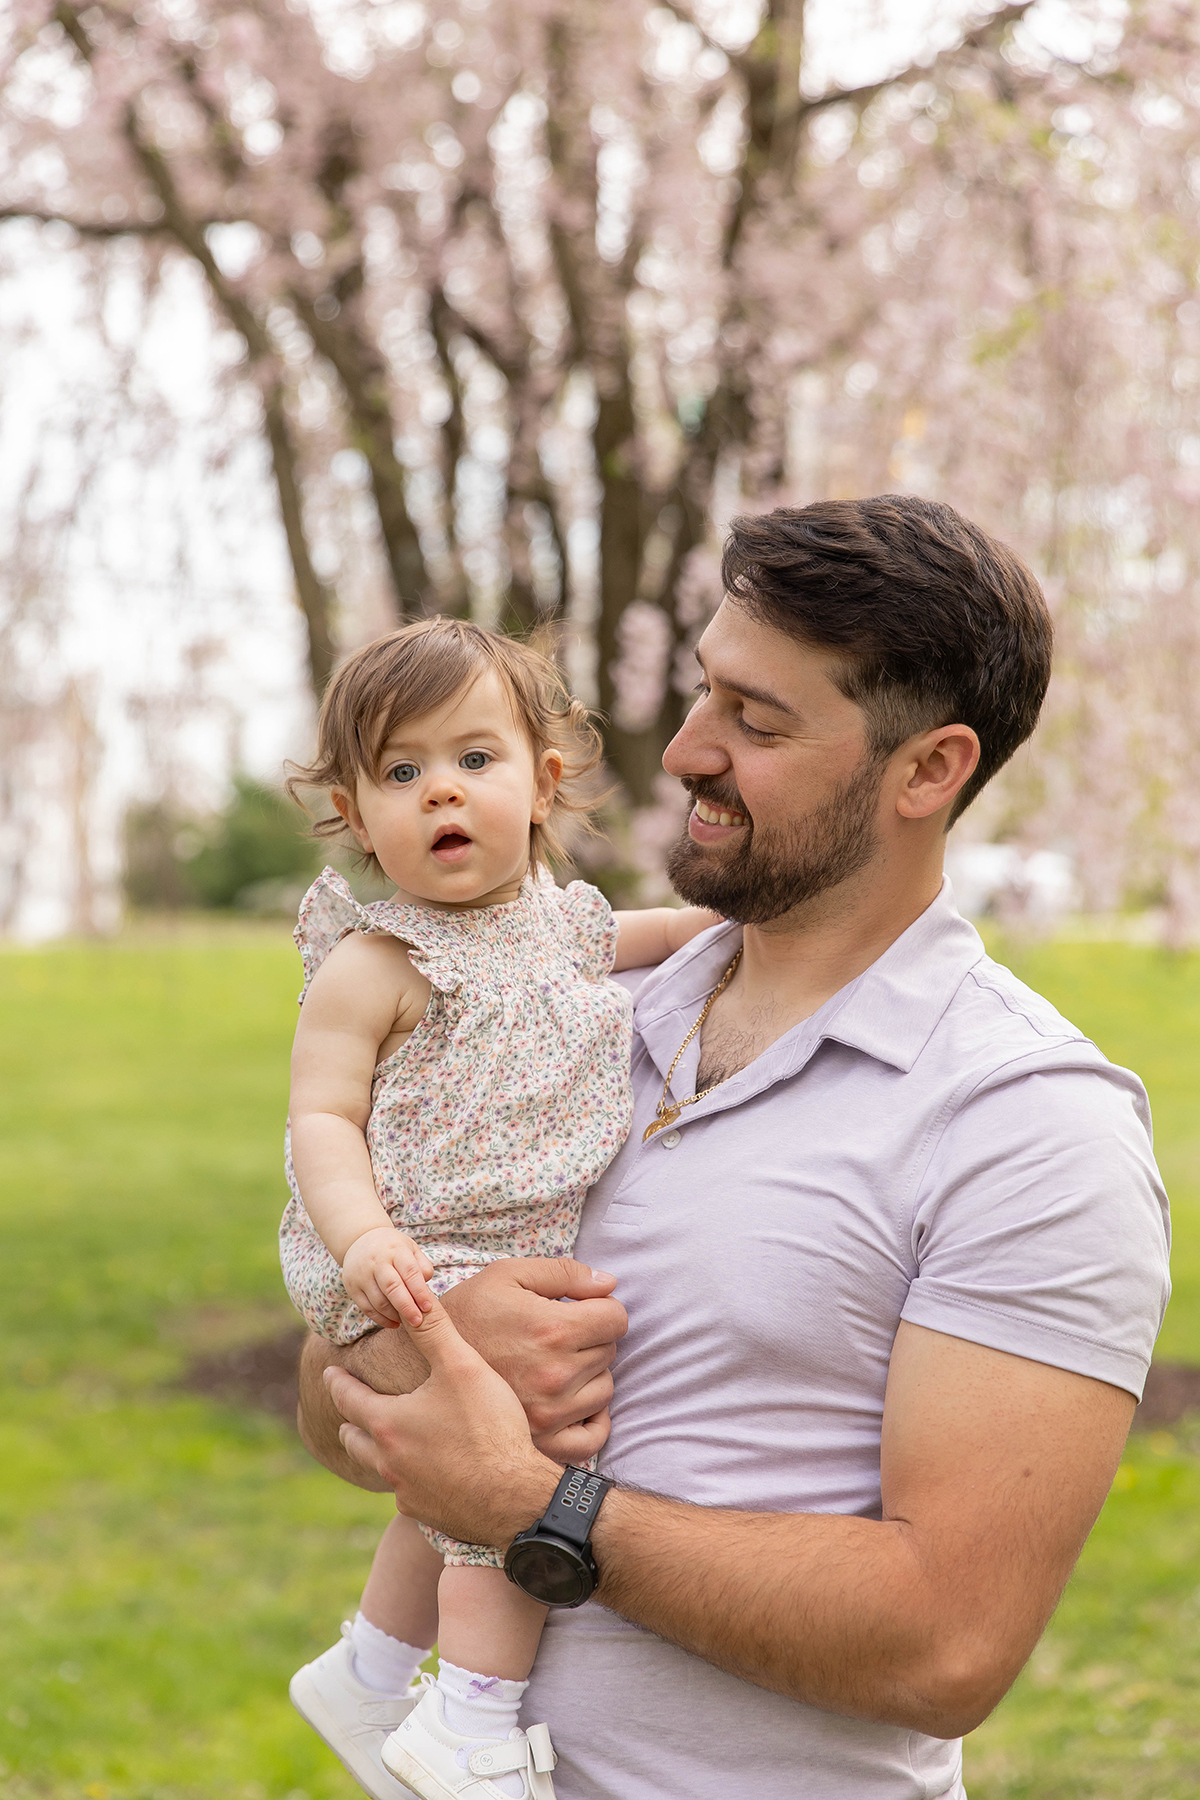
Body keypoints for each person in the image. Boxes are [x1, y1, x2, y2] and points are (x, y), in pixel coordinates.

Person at [299, 496, 1171, 1800]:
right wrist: (428, 1336)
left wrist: (535, 1505)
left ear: (927, 771)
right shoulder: (573, 1009)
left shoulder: (1029, 1125)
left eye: (757, 722)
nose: (689, 750)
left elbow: (947, 1645)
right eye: (707, 692)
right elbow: (334, 1405)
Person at [280, 618, 715, 1800]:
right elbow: (320, 1120)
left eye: (475, 759)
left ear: (543, 783)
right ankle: (470, 1718)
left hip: (516, 1245)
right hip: (414, 1251)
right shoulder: (377, 963)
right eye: (402, 773)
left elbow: (663, 936)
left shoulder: (567, 931)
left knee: (473, 1464)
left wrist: (737, 935)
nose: (442, 794)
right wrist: (364, 1239)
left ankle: (370, 1673)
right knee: (509, 1471)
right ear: (355, 814)